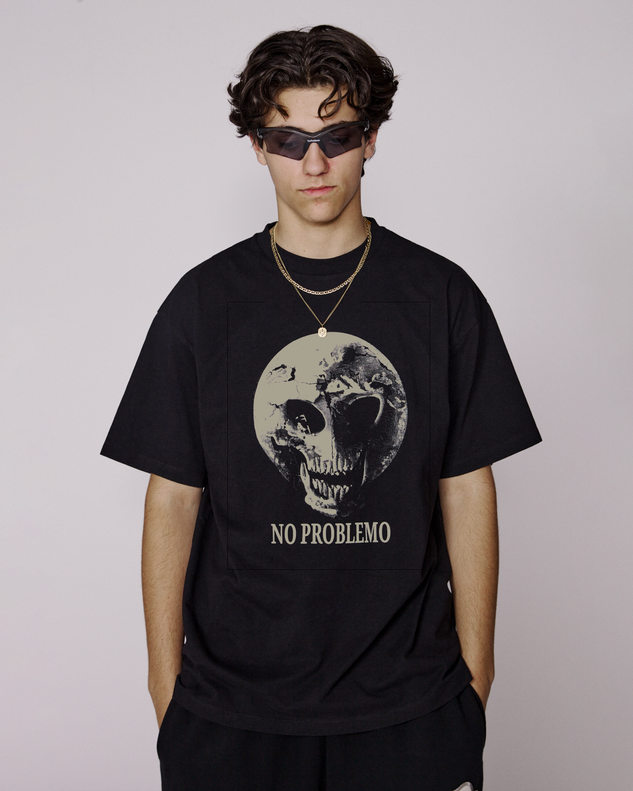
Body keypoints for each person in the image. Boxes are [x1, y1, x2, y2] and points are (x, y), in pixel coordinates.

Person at [101, 24, 541, 791]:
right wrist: (164, 690)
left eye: (335, 136)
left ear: (369, 139)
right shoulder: (203, 303)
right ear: (257, 147)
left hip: (411, 706)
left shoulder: (441, 297)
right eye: (288, 140)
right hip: (231, 714)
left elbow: (466, 485)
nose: (313, 163)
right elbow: (171, 497)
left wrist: (476, 677)